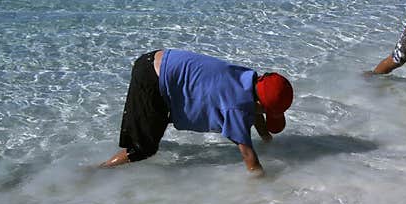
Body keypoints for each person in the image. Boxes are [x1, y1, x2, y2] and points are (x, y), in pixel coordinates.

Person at [100, 48, 293, 176]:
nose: (263, 115)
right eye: (267, 112)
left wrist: (268, 140)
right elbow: (250, 159)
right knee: (143, 150)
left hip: (159, 62)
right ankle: (98, 172)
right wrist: (267, 188)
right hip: (152, 77)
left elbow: (257, 111)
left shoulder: (247, 78)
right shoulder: (236, 107)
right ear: (260, 103)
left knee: (156, 127)